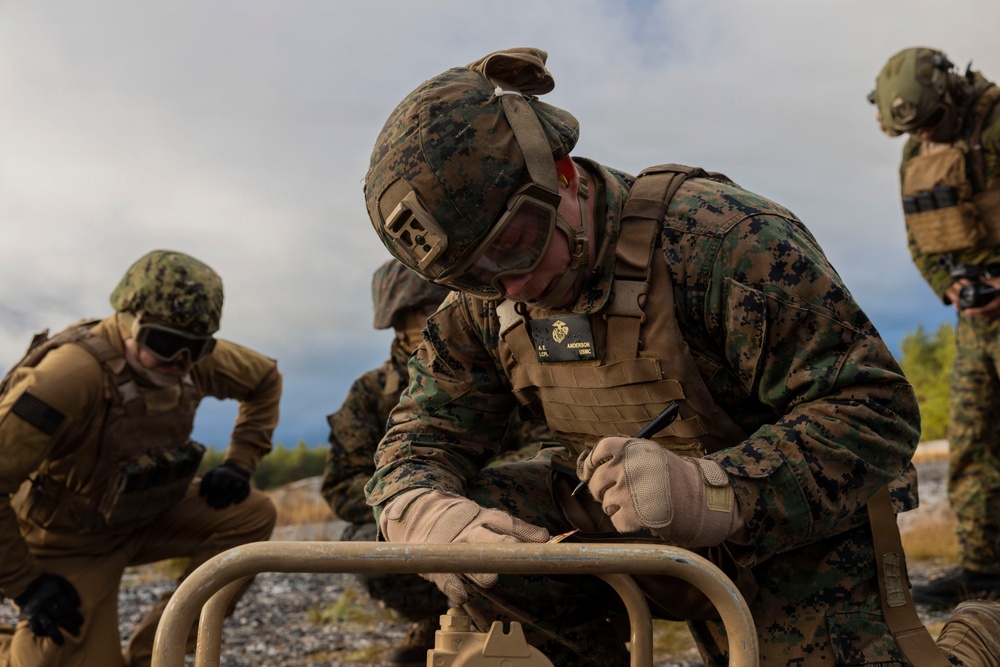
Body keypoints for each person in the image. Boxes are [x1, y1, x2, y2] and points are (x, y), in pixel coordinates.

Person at [359, 47, 1000, 666]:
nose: (513, 287)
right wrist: (424, 512)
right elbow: (419, 438)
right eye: (476, 276)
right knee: (481, 514)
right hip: (620, 528)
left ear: (559, 173)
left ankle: (981, 638)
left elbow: (875, 411)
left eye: (519, 243)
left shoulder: (722, 241)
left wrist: (711, 491)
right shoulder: (486, 299)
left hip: (783, 533)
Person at [0, 250, 281, 667]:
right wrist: (26, 585)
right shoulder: (68, 377)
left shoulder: (186, 358)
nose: (181, 363)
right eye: (164, 344)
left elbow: (263, 380)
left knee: (251, 514)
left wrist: (240, 461)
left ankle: (158, 652)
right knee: (53, 646)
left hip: (149, 509)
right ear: (129, 322)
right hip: (71, 537)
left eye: (197, 347)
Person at [321, 257, 554, 667]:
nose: (425, 319)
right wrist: (412, 503)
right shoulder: (371, 393)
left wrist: (474, 488)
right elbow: (342, 482)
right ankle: (438, 617)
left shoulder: (504, 369)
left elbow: (545, 443)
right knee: (362, 538)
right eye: (413, 313)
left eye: (432, 306)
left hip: (499, 513)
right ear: (394, 320)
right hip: (421, 525)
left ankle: (523, 624)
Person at [870, 46, 1000, 609]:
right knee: (973, 444)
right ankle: (984, 574)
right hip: (975, 319)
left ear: (950, 93)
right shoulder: (914, 153)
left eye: (931, 125)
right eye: (914, 130)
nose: (924, 138)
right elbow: (919, 237)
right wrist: (948, 287)